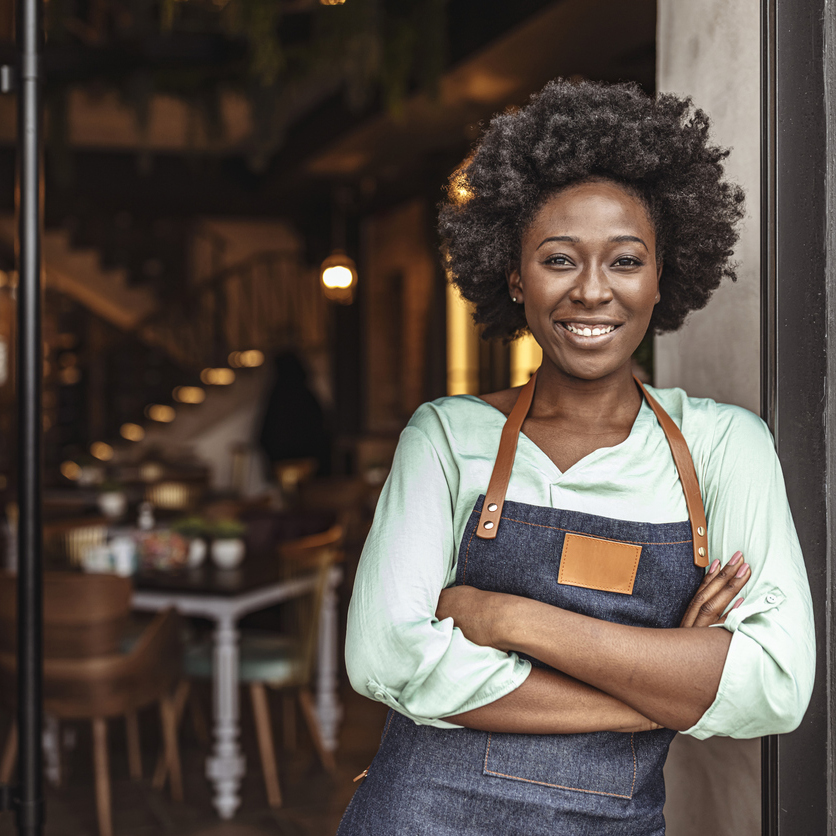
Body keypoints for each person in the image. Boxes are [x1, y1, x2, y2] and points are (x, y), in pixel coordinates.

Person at [337, 80, 815, 835]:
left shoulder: (725, 445)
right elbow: (387, 658)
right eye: (559, 259)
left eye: (625, 261)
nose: (593, 291)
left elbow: (776, 687)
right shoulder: (445, 437)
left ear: (662, 277)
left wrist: (507, 617)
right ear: (513, 277)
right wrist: (668, 684)